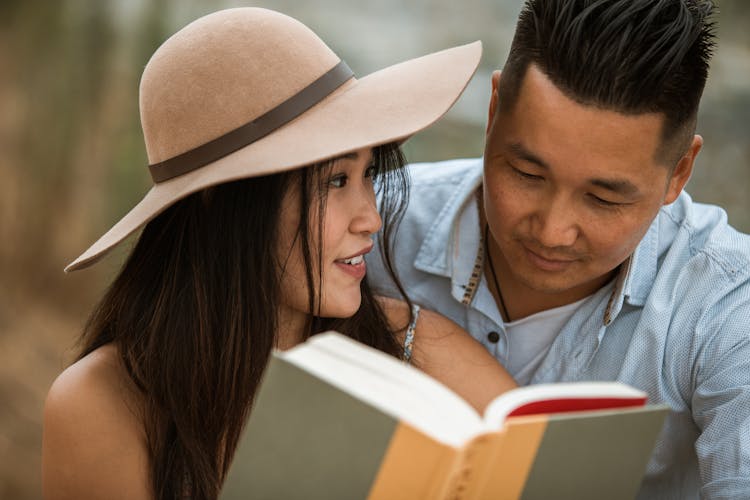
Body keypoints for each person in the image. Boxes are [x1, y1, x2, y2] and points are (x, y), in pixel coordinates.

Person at [41, 8, 516, 500]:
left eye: (367, 174)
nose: (370, 218)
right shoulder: (105, 404)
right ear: (228, 207)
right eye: (335, 181)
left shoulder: (420, 350)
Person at [367, 0, 750, 498]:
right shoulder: (373, 224)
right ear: (492, 112)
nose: (552, 231)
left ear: (679, 171)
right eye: (527, 174)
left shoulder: (727, 306)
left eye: (603, 198)